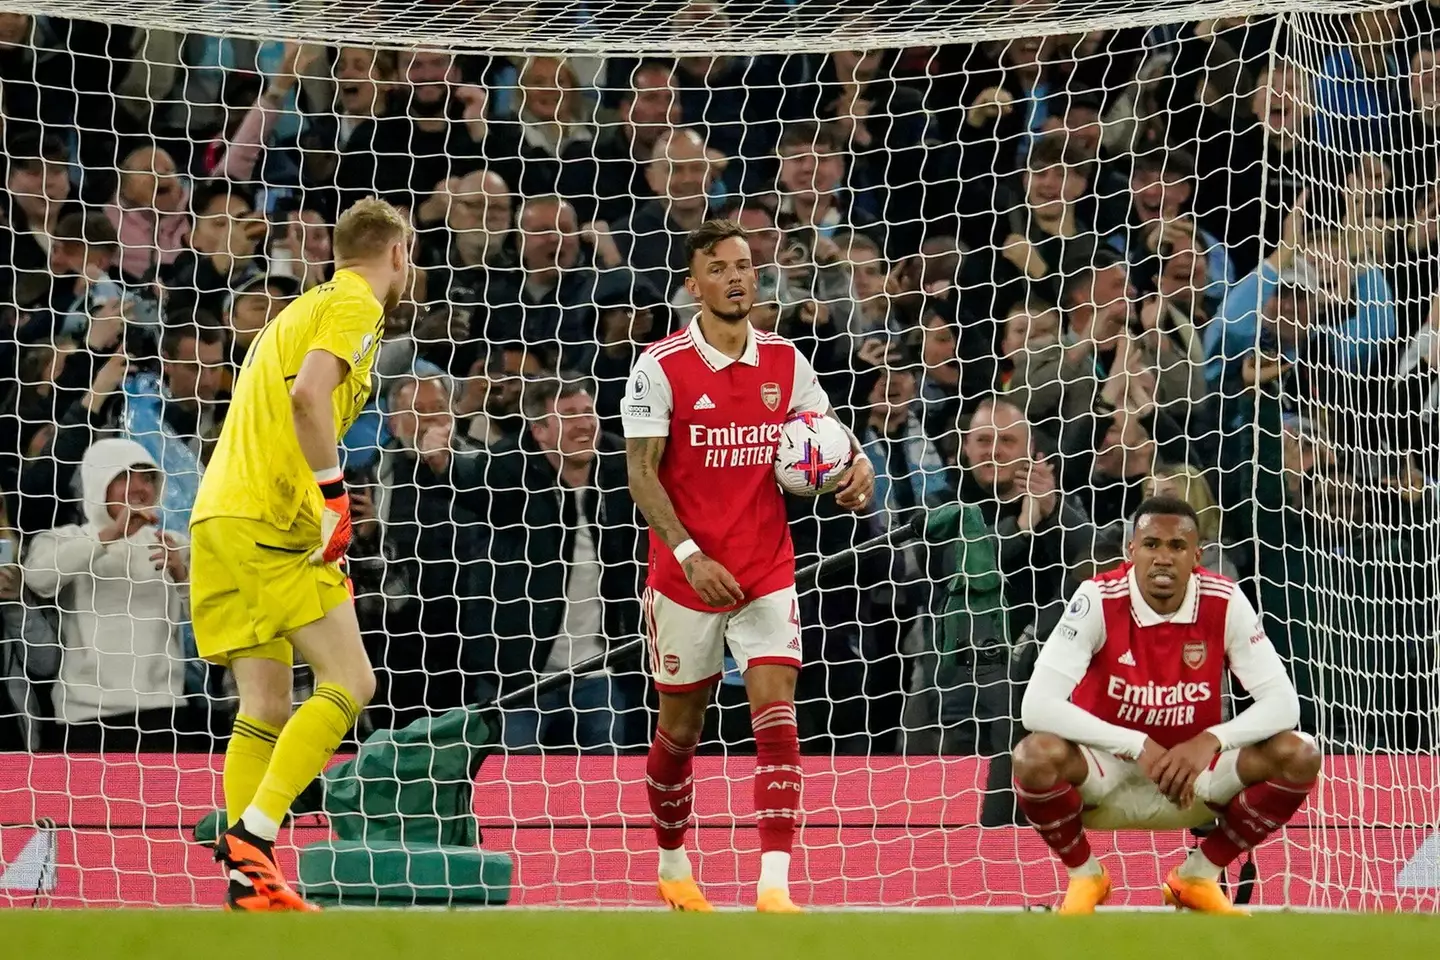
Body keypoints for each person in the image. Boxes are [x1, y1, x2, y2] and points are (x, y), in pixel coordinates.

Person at [622, 218, 875, 913]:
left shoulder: (787, 361)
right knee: (680, 732)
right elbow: (640, 472)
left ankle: (774, 886)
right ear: (694, 283)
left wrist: (860, 468)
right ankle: (673, 866)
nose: (737, 278)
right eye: (720, 268)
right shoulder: (660, 364)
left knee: (777, 715)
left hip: (766, 568)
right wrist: (689, 553)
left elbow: (829, 437)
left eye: (745, 266)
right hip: (685, 576)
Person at [186, 197, 410, 912]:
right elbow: (308, 400)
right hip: (272, 517)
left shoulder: (296, 310)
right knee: (351, 680)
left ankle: (247, 883)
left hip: (218, 515)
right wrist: (335, 498)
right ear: (397, 253)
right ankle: (253, 833)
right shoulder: (354, 304)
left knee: (265, 702)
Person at [1013, 496, 1320, 915]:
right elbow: (1036, 706)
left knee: (1300, 753)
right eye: (1152, 544)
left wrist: (1210, 740)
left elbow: (1284, 704)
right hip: (1105, 774)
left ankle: (1199, 874)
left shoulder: (1224, 599)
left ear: (1197, 555)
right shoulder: (1097, 598)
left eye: (1177, 547)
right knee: (1032, 757)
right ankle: (1086, 875)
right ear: (1131, 551)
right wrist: (1135, 743)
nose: (1163, 557)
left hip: (1192, 778)